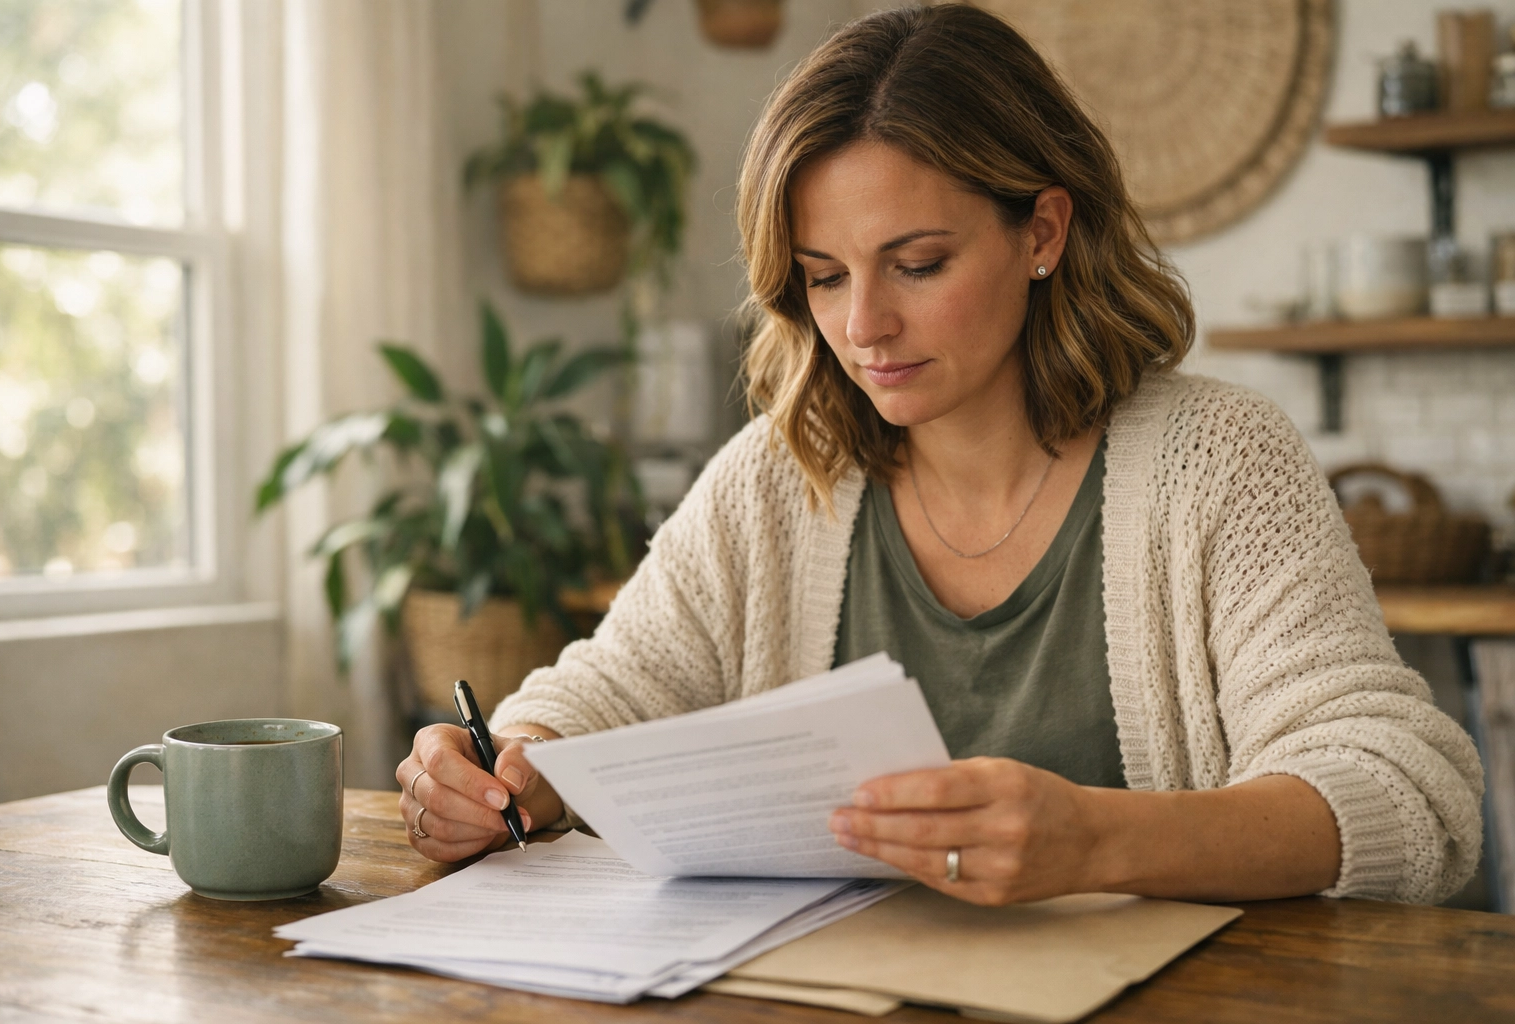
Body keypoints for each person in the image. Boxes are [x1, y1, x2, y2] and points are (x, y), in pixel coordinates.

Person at [396, 4, 1482, 906]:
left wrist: (1099, 839)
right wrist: (510, 765)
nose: (863, 325)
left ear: (1043, 232)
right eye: (824, 275)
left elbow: (1410, 793)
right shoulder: (782, 475)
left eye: (915, 262)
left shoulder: (1220, 463)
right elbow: (614, 686)